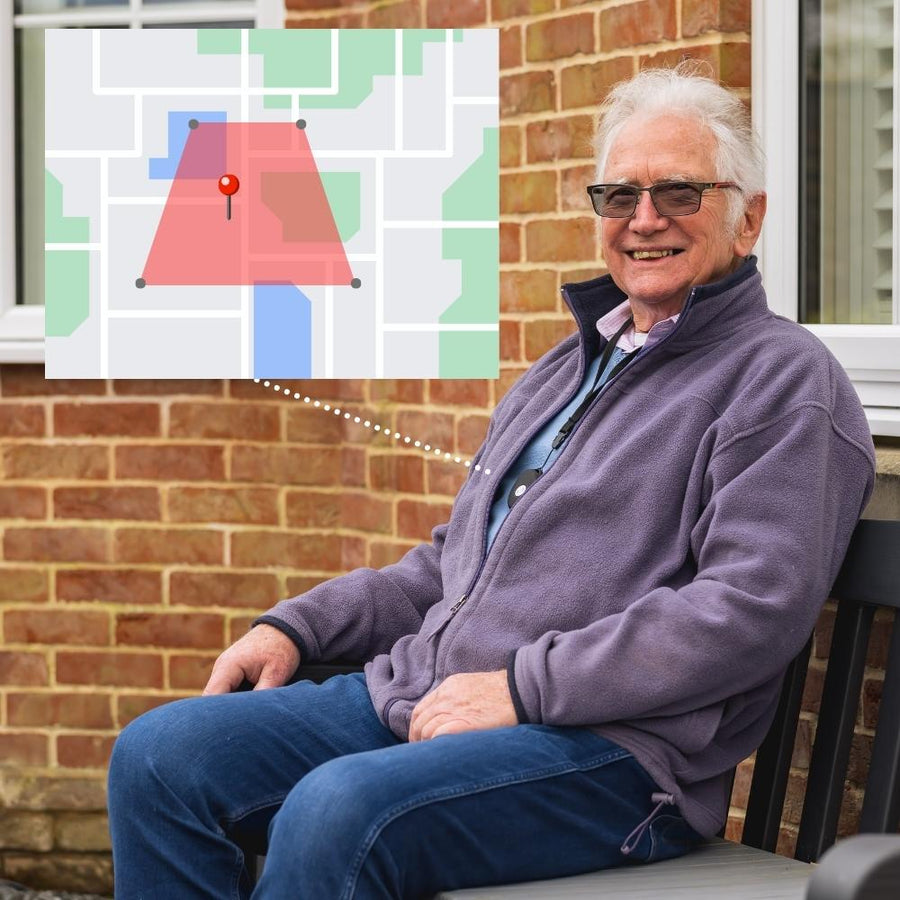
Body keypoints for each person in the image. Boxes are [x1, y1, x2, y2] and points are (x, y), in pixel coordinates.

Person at [108, 65, 876, 900]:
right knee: (161, 758)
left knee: (337, 811)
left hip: (612, 756)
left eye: (679, 193)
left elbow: (746, 608)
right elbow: (455, 567)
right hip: (432, 699)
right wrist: (298, 627)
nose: (644, 219)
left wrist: (520, 688)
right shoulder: (566, 369)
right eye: (620, 196)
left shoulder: (783, 380)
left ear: (747, 218)